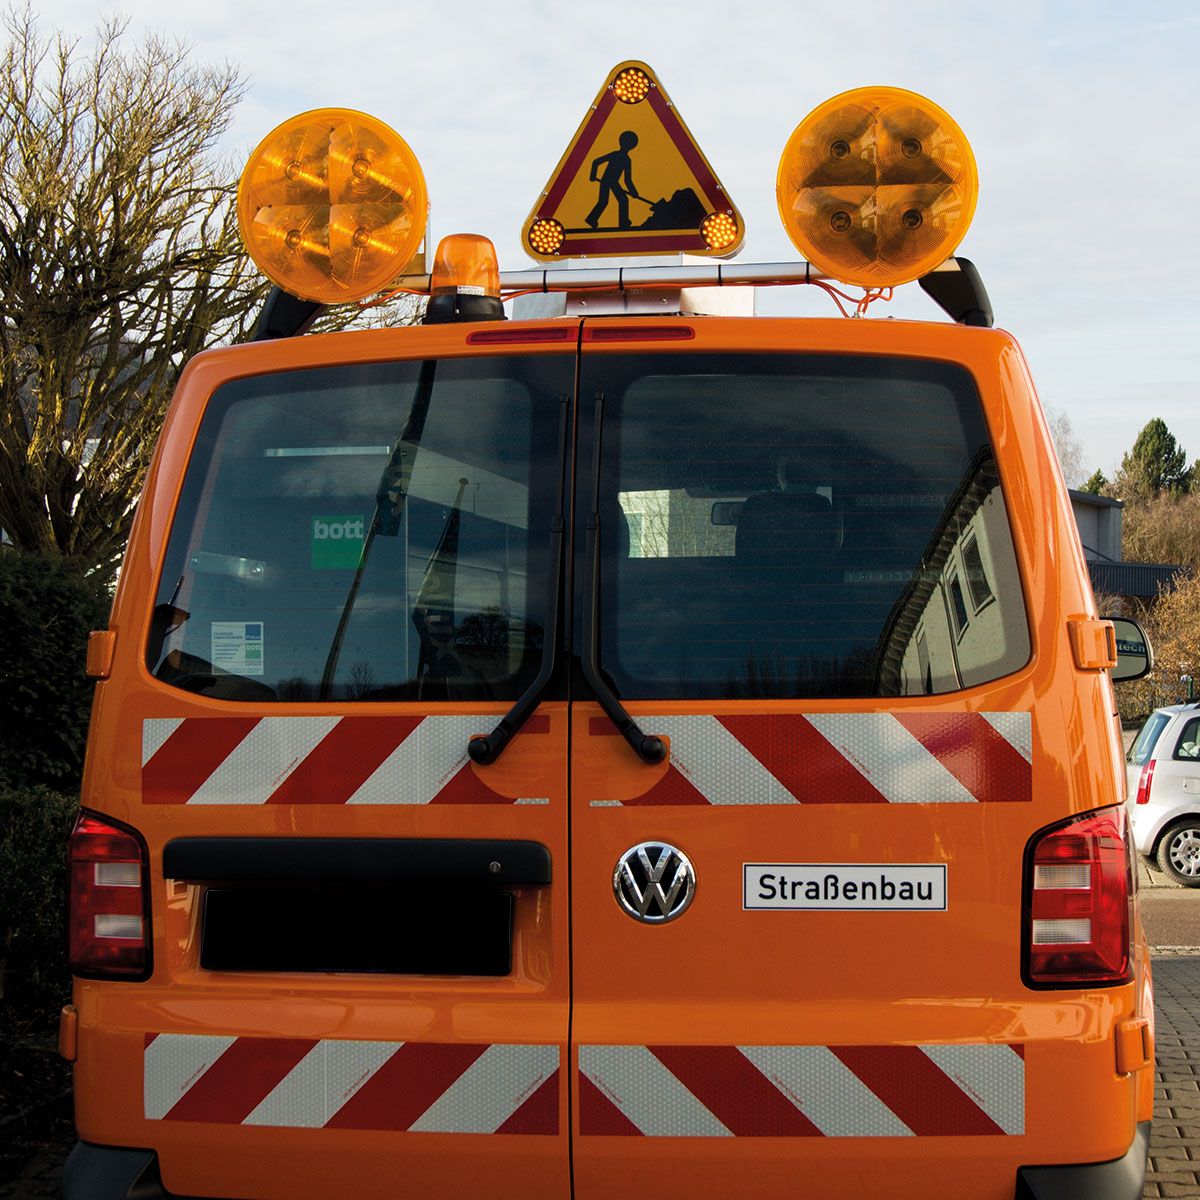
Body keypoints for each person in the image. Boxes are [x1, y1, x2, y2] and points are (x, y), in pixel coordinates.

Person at [585, 131, 640, 230]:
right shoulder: (620, 157)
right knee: (605, 201)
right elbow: (596, 162)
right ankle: (592, 219)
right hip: (606, 181)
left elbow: (627, 179)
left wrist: (633, 192)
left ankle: (623, 222)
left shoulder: (626, 159)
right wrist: (592, 175)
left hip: (613, 182)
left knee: (621, 200)